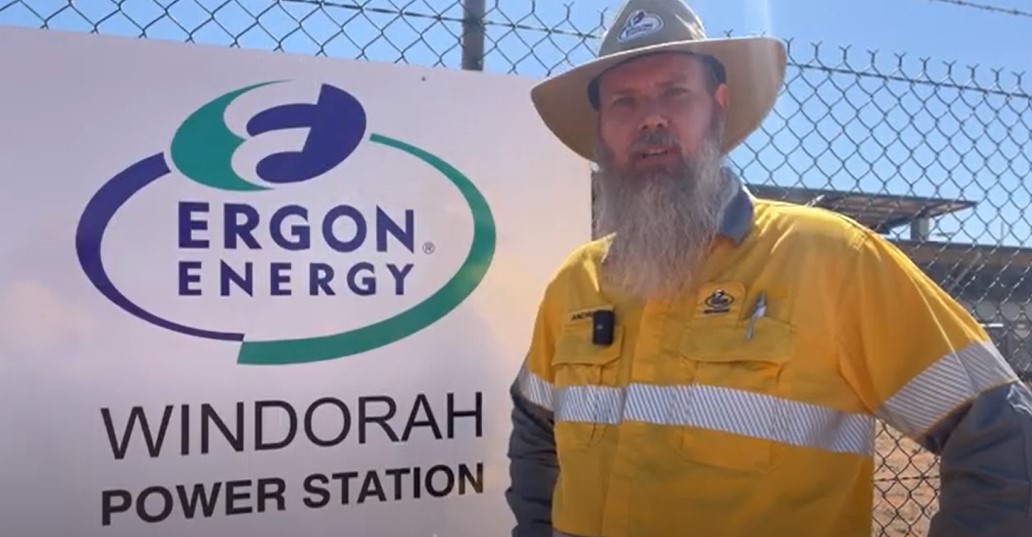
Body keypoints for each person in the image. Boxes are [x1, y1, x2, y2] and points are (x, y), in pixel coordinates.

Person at [504, 0, 1032, 536]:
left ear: (719, 106)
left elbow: (1000, 431)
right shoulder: (576, 281)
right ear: (601, 130)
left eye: (674, 92)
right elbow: (534, 429)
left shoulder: (832, 258)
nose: (651, 117)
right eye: (624, 101)